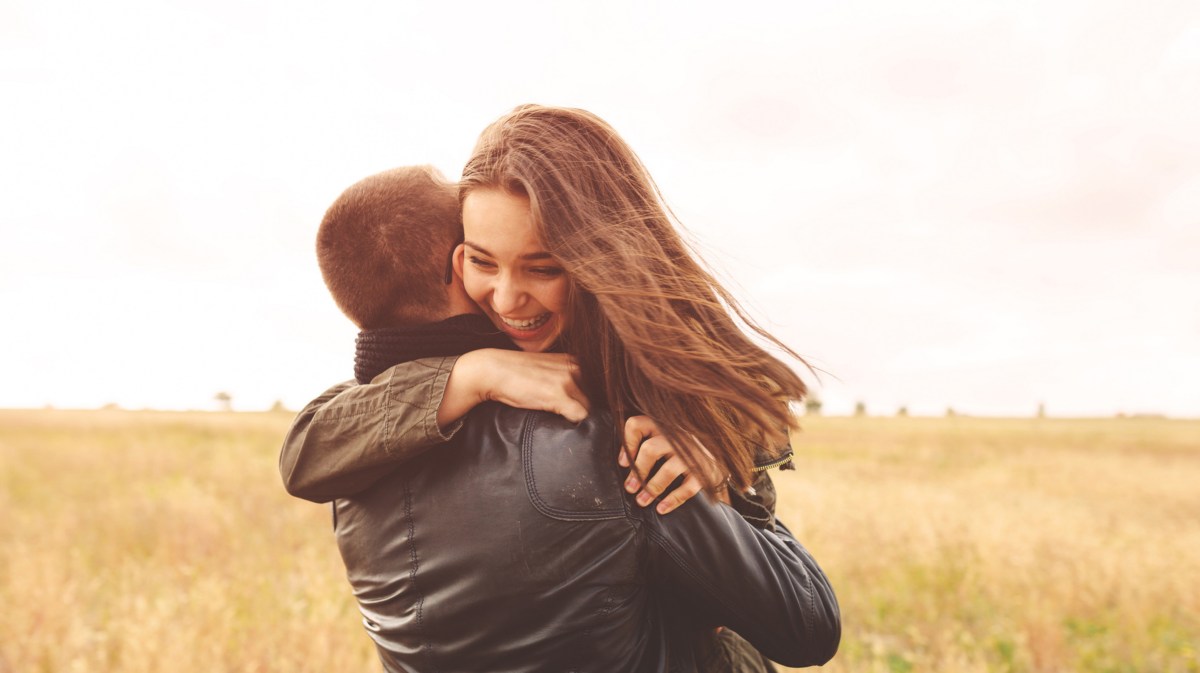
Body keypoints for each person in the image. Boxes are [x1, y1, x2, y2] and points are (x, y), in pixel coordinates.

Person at [281, 163, 839, 671]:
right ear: (457, 266)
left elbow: (303, 453)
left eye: (541, 263)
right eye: (482, 255)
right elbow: (806, 626)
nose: (508, 296)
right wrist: (728, 480)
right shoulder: (605, 440)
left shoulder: (356, 468)